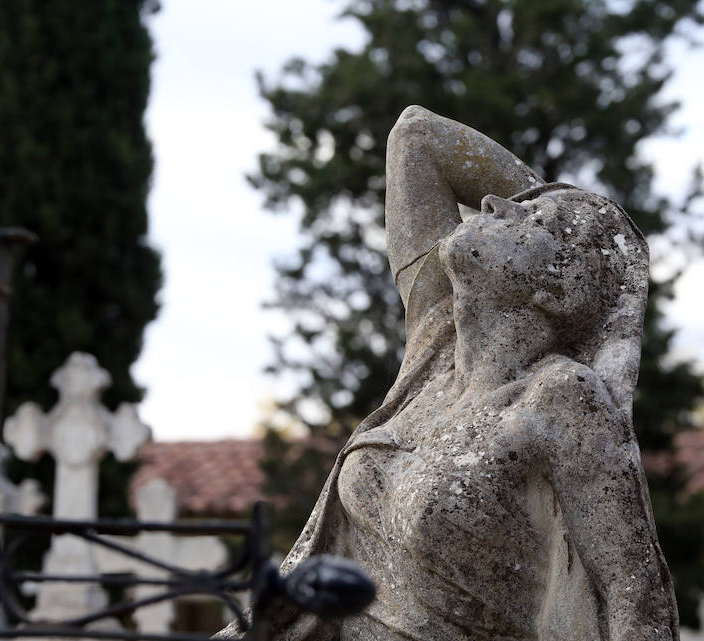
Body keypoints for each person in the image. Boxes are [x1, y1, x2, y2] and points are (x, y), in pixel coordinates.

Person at [247, 106, 678, 641]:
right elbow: (416, 135)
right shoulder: (435, 349)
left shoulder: (560, 398)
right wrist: (559, 212)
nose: (497, 203)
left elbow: (634, 594)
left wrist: (592, 238)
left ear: (558, 291)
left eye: (533, 221)